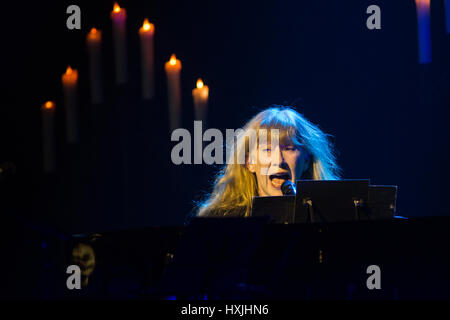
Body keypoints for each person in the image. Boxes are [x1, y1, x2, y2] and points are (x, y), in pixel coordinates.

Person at [195, 105, 341, 217]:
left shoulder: (328, 216)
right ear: (249, 161)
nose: (278, 161)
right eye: (267, 150)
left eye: (289, 148)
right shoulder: (220, 221)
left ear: (306, 161)